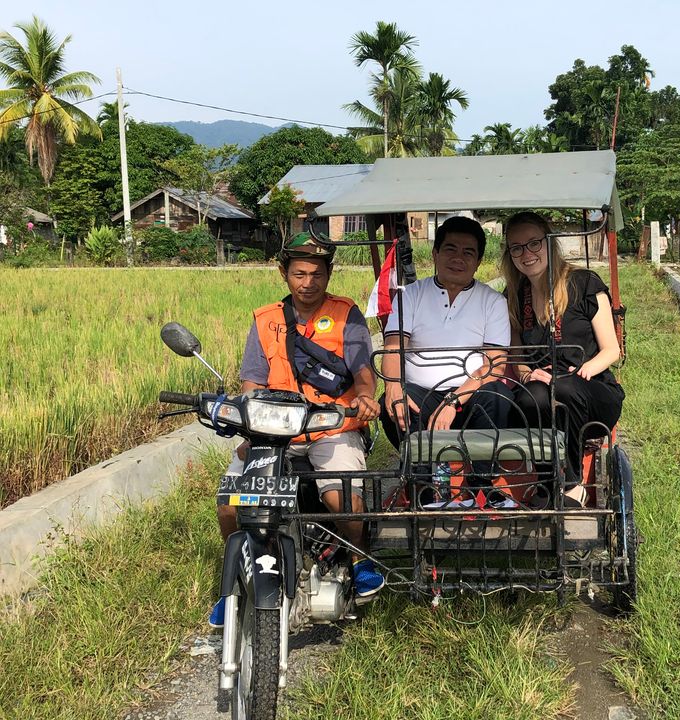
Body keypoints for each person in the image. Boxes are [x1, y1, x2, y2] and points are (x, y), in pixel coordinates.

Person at [209, 232, 383, 627]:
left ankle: (359, 559)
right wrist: (250, 427)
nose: (308, 283)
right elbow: (252, 382)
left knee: (342, 498)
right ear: (284, 273)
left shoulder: (346, 314)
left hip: (330, 425)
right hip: (273, 433)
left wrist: (365, 397)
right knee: (230, 504)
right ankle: (235, 583)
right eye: (299, 274)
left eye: (317, 274)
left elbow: (362, 370)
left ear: (329, 274)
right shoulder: (266, 319)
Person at [500, 211, 624, 507]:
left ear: (549, 242)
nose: (527, 254)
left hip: (590, 388)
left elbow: (611, 350)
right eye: (517, 248)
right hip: (541, 388)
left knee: (562, 389)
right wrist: (527, 374)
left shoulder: (584, 283)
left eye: (534, 243)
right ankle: (546, 484)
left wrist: (577, 373)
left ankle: (571, 485)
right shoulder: (515, 294)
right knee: (531, 396)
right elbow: (517, 354)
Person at [379, 216, 511, 466]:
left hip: (470, 396)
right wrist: (393, 386)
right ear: (435, 254)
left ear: (478, 262)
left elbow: (494, 366)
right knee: (396, 402)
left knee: (497, 395)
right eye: (451, 249)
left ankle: (481, 482)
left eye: (468, 253)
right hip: (422, 396)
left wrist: (452, 401)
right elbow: (393, 348)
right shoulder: (410, 295)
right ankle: (421, 481)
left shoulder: (493, 301)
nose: (458, 258)